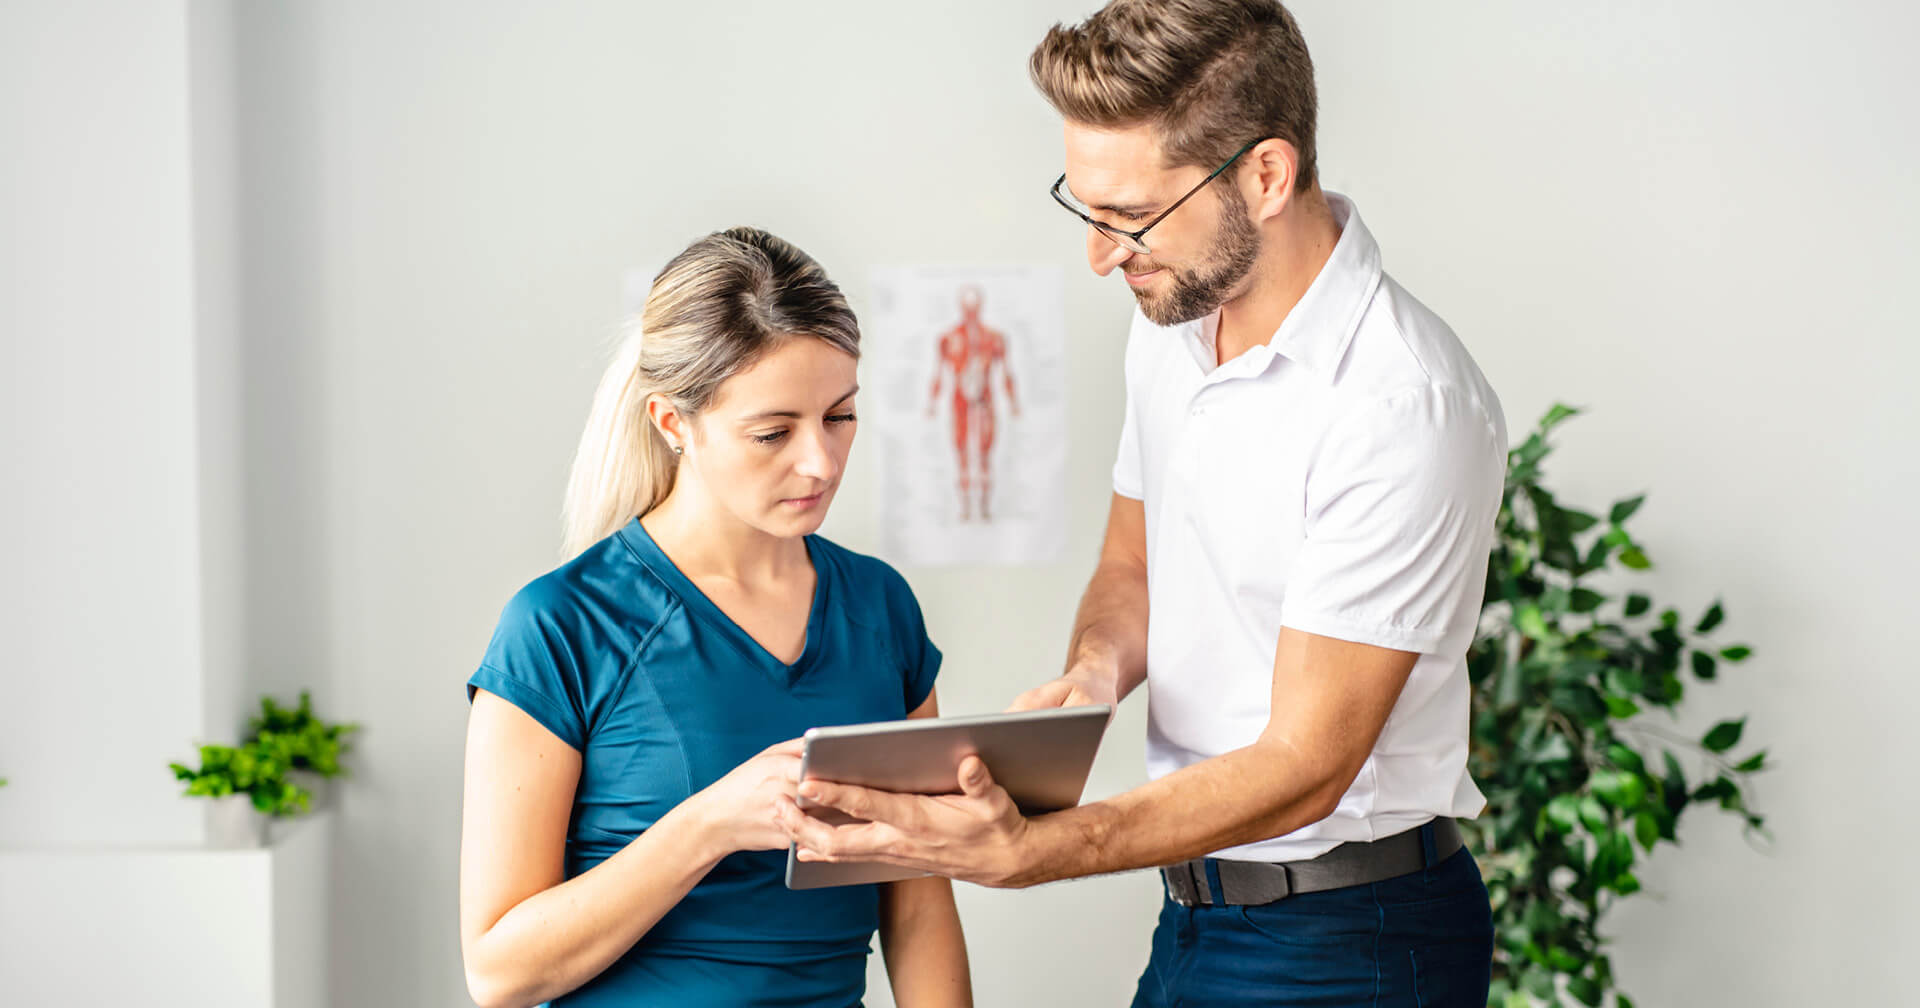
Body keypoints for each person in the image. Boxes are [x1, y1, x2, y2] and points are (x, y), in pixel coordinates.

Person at [782, 3, 1506, 1005]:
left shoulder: (1401, 405)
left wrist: (1034, 852)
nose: (1101, 254)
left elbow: (1306, 764)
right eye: (1086, 208)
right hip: (1199, 916)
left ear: (1265, 176)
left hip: (1351, 938)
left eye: (1132, 216)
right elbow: (1137, 567)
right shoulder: (1173, 325)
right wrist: (1091, 675)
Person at [459, 227, 972, 1008]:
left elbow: (918, 908)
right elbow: (498, 973)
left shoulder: (879, 607)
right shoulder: (562, 626)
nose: (820, 462)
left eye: (839, 417)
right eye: (774, 432)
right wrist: (712, 824)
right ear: (674, 424)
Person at [926, 285, 1019, 521]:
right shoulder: (948, 338)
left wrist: (1013, 402)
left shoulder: (994, 338)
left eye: (974, 305)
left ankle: (985, 506)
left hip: (985, 401)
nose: (970, 311)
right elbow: (938, 373)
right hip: (960, 402)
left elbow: (1007, 372)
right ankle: (966, 507)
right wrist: (932, 403)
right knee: (962, 453)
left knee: (985, 452)